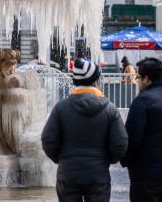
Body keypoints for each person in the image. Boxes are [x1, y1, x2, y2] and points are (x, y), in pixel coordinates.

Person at [42, 58, 128, 201]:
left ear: (75, 81)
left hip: (68, 173)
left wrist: (62, 159)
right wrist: (107, 160)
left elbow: (48, 140)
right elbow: (120, 143)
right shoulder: (110, 109)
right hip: (98, 173)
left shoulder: (61, 108)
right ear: (95, 80)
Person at [121, 57, 162, 202]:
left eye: (138, 77)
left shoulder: (143, 100)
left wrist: (125, 160)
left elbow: (132, 138)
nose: (137, 81)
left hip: (148, 175)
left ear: (147, 79)